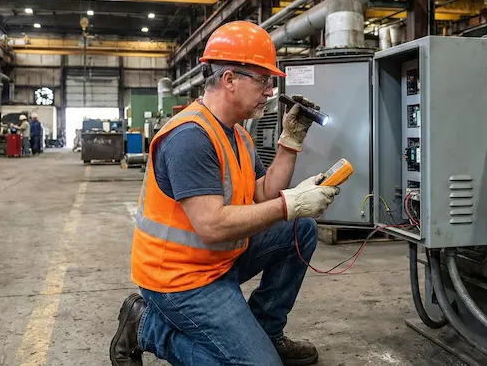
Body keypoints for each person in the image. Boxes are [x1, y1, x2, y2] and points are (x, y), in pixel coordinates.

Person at [110, 21, 340, 366]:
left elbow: (262, 193)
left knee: (300, 229)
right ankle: (146, 327)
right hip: (179, 279)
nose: (269, 92)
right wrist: (289, 204)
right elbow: (212, 225)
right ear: (230, 79)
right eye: (263, 80)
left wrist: (290, 142)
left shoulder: (237, 135)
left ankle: (267, 332)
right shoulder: (191, 137)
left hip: (216, 260)